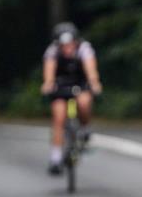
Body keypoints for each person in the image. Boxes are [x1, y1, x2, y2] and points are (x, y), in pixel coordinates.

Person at [40, 22, 102, 175]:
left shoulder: (84, 49)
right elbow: (49, 71)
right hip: (61, 86)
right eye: (64, 45)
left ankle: (85, 129)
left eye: (70, 44)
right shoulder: (52, 51)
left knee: (84, 103)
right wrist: (48, 84)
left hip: (80, 84)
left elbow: (91, 69)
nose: (67, 48)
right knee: (59, 117)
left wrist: (94, 82)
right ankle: (55, 158)